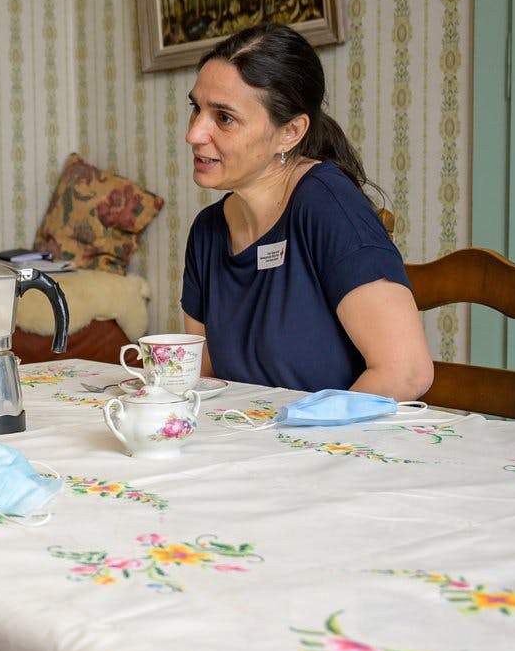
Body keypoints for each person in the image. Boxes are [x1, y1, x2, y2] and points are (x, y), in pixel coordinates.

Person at [180, 23, 433, 399]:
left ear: (290, 132)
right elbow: (203, 379)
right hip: (246, 446)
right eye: (196, 109)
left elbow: (407, 372)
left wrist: (293, 438)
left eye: (224, 118)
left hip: (331, 449)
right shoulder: (207, 232)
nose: (194, 134)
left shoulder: (326, 206)